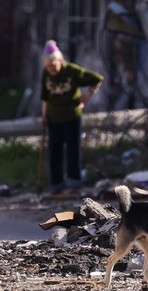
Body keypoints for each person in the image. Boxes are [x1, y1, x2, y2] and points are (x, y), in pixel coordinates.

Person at [40, 39, 104, 192]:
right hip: (53, 117)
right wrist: (44, 116)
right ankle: (56, 184)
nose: (51, 70)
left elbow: (97, 79)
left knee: (72, 149)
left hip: (71, 116)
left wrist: (86, 97)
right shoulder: (45, 74)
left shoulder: (72, 71)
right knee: (55, 151)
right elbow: (45, 97)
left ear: (60, 61)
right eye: (48, 67)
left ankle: (74, 182)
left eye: (53, 66)